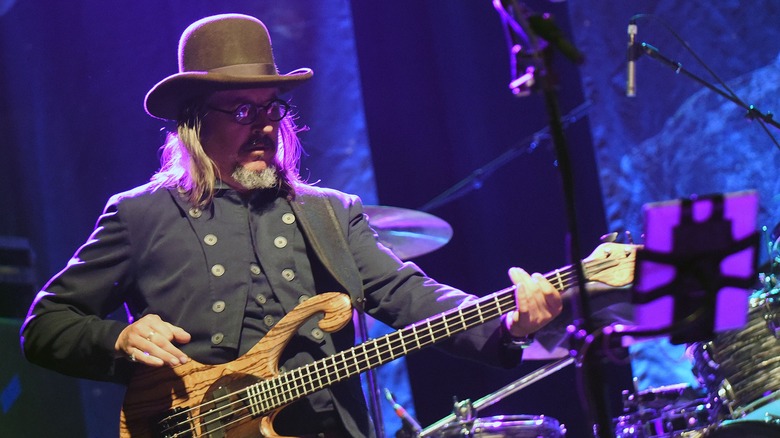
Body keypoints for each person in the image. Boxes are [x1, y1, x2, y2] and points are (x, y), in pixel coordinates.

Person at [20, 13, 562, 437]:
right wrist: (120, 338)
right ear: (193, 122)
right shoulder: (140, 215)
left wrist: (506, 323)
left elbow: (406, 293)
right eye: (239, 111)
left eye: (270, 108)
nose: (262, 126)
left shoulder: (329, 211)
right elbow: (46, 325)